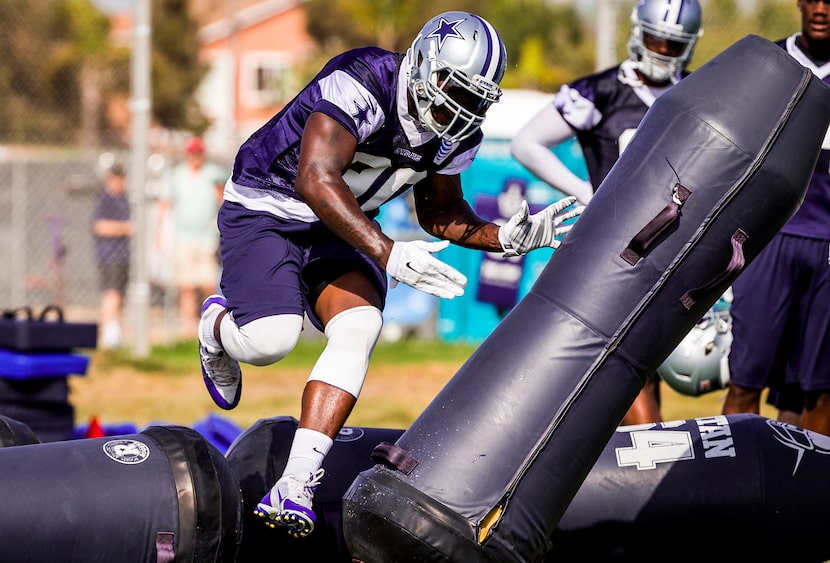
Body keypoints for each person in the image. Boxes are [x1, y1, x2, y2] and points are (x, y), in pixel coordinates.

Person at [197, 11, 583, 538]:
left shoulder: (457, 132)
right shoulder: (361, 80)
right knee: (269, 340)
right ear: (424, 60)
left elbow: (439, 211)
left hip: (342, 225)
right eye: (451, 86)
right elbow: (315, 179)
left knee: (360, 326)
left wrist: (506, 238)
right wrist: (387, 252)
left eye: (473, 98)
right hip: (270, 206)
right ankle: (216, 326)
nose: (458, 106)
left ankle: (296, 481)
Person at [510, 0, 703, 425]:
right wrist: (588, 193)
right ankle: (644, 460)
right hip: (611, 249)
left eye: (673, 44)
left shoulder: (700, 92)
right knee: (617, 363)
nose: (662, 51)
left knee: (650, 366)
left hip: (672, 247)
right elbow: (526, 143)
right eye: (656, 39)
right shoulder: (601, 92)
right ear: (638, 32)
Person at [722, 0, 830, 434]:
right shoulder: (765, 61)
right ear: (800, 3)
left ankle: (813, 499)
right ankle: (721, 494)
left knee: (822, 390)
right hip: (770, 236)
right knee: (746, 381)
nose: (822, 8)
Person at [156, 136, 227, 337]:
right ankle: (187, 327)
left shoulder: (214, 173)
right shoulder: (176, 176)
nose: (195, 157)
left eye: (198, 153)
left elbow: (224, 197)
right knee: (186, 285)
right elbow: (165, 206)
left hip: (208, 238)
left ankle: (211, 325)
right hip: (184, 238)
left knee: (208, 283)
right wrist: (159, 235)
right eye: (192, 153)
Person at [93, 163, 132, 350]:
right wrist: (126, 228)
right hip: (110, 255)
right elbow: (100, 226)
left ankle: (114, 330)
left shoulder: (125, 199)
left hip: (123, 256)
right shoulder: (105, 199)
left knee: (119, 294)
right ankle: (110, 332)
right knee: (112, 293)